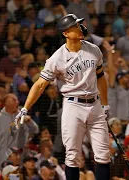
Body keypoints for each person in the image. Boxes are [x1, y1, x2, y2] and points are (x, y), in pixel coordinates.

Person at [14, 14, 111, 180]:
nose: (80, 28)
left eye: (79, 25)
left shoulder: (94, 50)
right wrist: (25, 108)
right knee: (72, 155)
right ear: (66, 33)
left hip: (95, 104)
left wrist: (105, 104)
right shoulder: (57, 58)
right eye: (75, 26)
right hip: (73, 106)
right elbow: (39, 85)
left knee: (103, 154)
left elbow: (101, 77)